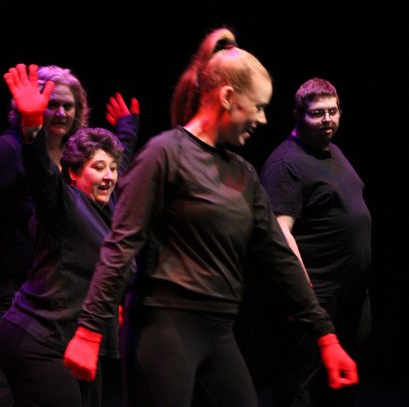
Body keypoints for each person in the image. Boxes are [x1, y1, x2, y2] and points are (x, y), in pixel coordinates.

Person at [62, 28, 358, 407]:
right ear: (228, 97)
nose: (263, 119)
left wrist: (325, 335)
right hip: (163, 328)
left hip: (219, 330)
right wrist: (89, 331)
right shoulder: (164, 154)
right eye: (259, 105)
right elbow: (121, 246)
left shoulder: (243, 173)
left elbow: (278, 255)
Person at [0, 63, 138, 406]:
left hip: (68, 323)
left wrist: (127, 129)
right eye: (52, 103)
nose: (109, 175)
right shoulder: (51, 188)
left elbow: (116, 165)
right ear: (73, 172)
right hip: (31, 320)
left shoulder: (106, 205)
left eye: (68, 105)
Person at [260, 78, 371, 407]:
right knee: (301, 389)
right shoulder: (286, 163)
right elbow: (280, 232)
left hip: (351, 295)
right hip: (315, 299)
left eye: (333, 111)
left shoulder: (332, 151)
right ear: (297, 115)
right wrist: (301, 288)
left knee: (340, 386)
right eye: (317, 113)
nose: (327, 119)